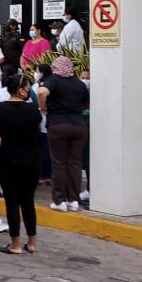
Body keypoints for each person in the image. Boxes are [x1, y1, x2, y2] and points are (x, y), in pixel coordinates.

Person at [0, 73, 42, 254]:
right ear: (21, 91)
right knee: (28, 201)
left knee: (12, 201)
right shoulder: (33, 112)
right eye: (28, 89)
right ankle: (32, 242)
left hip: (8, 160)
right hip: (31, 161)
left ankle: (15, 243)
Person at [39, 55, 89, 211]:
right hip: (79, 126)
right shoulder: (79, 84)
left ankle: (59, 200)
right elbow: (86, 102)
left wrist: (43, 108)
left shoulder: (54, 80)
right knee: (75, 163)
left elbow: (41, 92)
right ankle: (73, 200)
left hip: (59, 125)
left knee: (59, 163)